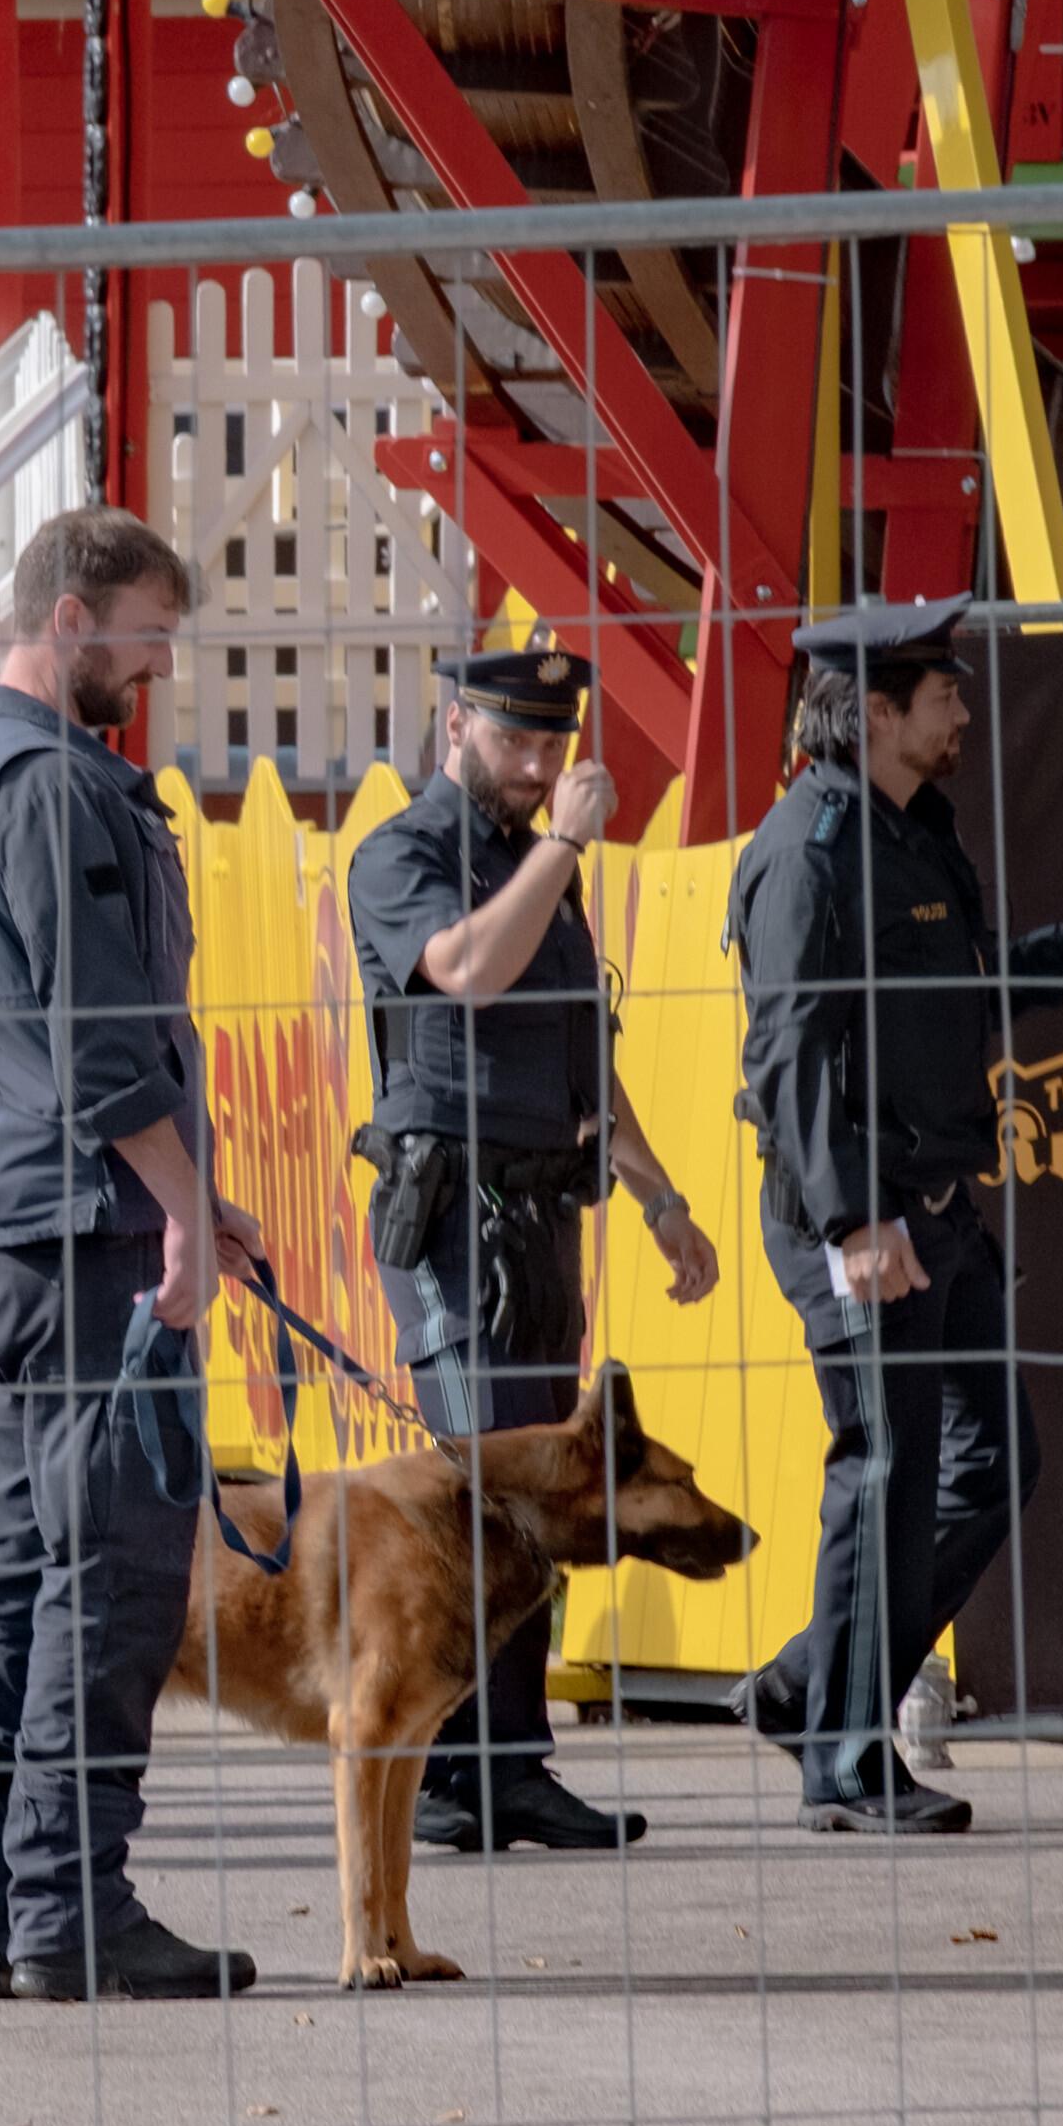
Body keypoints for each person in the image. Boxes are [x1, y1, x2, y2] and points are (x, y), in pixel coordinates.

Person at [0, 505, 259, 2002]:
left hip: (14, 1218)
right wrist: (175, 1202)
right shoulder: (46, 785)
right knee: (111, 1570)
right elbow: (96, 1034)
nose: (160, 663)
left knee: (33, 1566)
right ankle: (68, 1904)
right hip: (82, 1225)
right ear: (75, 615)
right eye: (152, 629)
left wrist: (194, 1187)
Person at [727, 600, 1063, 1836]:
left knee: (990, 1459)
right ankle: (848, 1767)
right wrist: (853, 1223)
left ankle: (814, 1682)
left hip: (939, 1207)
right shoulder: (809, 851)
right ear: (874, 710)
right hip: (863, 1216)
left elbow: (953, 990)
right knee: (882, 1472)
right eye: (943, 696)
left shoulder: (914, 831)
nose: (963, 713)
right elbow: (791, 1056)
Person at [342, 645, 723, 1856]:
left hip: (542, 1222)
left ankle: (503, 1765)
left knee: (545, 1493)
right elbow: (461, 969)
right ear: (455, 726)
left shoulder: (532, 867)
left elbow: (580, 1060)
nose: (541, 763)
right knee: (483, 1496)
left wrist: (658, 1196)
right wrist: (561, 846)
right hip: (451, 1221)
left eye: (553, 741)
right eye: (516, 740)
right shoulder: (404, 854)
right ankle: (467, 1761)